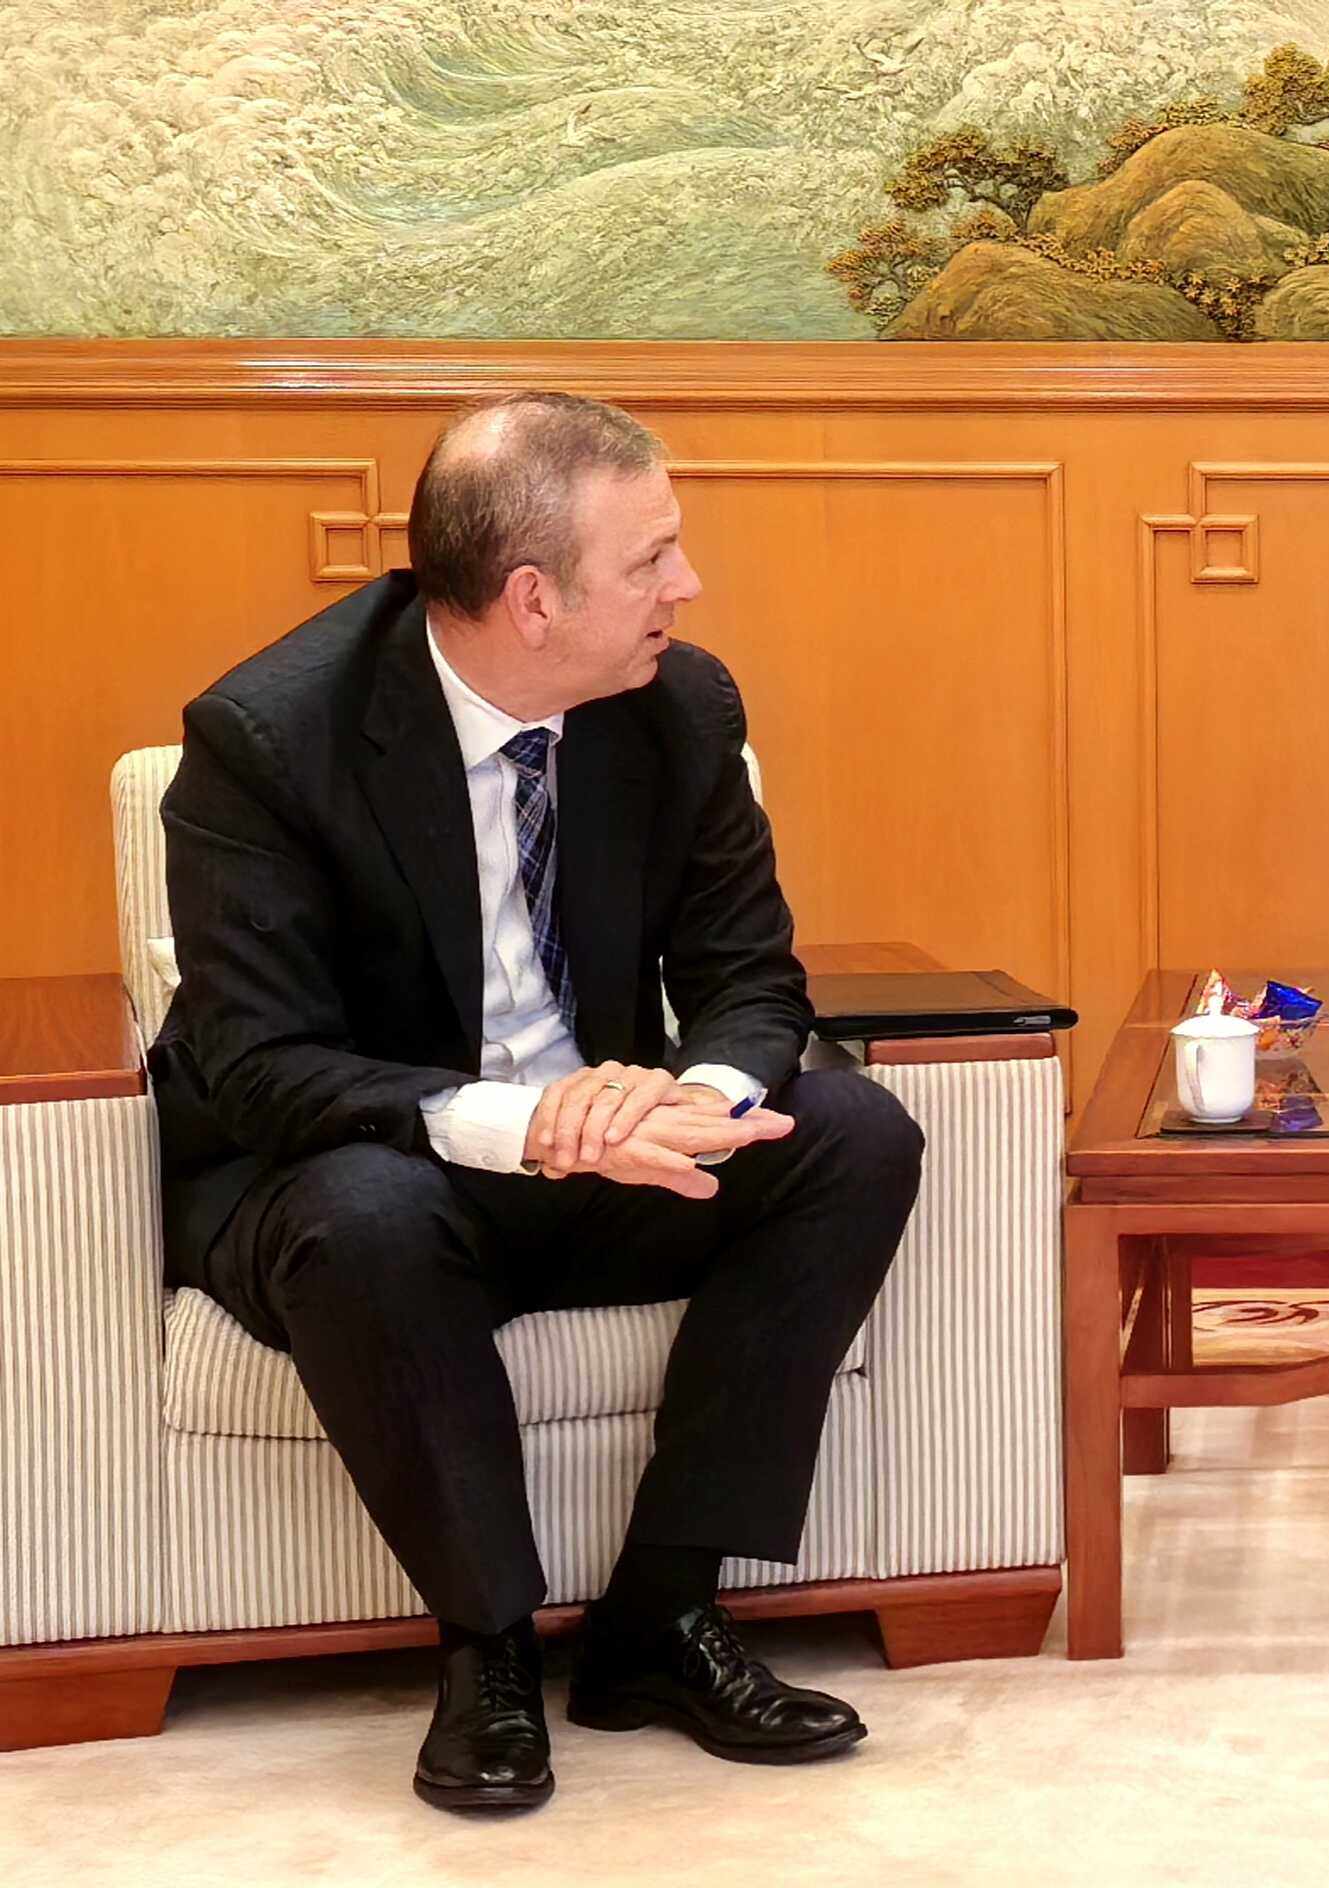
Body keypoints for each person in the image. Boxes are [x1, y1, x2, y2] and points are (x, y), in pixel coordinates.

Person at [154, 391, 926, 1812]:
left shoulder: (677, 705)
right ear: (530, 597)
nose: (684, 589)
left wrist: (688, 1102)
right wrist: (525, 1122)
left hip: (600, 1163)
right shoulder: (268, 742)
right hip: (364, 1171)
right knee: (368, 1211)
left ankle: (660, 1622)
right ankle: (487, 1652)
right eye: (653, 559)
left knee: (850, 1132)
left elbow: (755, 980)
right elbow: (261, 1068)